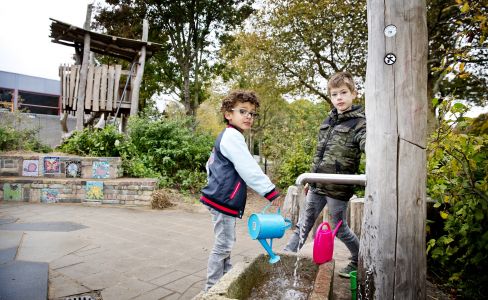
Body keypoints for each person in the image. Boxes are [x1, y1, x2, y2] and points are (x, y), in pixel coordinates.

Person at [284, 71, 366, 278]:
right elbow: (319, 153)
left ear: (354, 93)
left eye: (344, 92)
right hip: (317, 183)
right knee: (304, 222)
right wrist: (311, 178)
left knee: (338, 227)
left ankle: (358, 259)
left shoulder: (360, 123)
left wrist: (372, 149)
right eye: (335, 94)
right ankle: (287, 256)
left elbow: (368, 144)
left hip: (338, 187)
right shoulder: (328, 120)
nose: (339, 97)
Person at [200, 90, 282, 291]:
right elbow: (248, 168)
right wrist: (270, 192)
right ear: (228, 114)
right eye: (243, 111)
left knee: (226, 241)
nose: (248, 117)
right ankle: (211, 289)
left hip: (220, 198)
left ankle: (225, 279)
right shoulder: (232, 137)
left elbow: (209, 165)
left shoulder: (229, 136)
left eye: (252, 113)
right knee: (223, 245)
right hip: (222, 200)